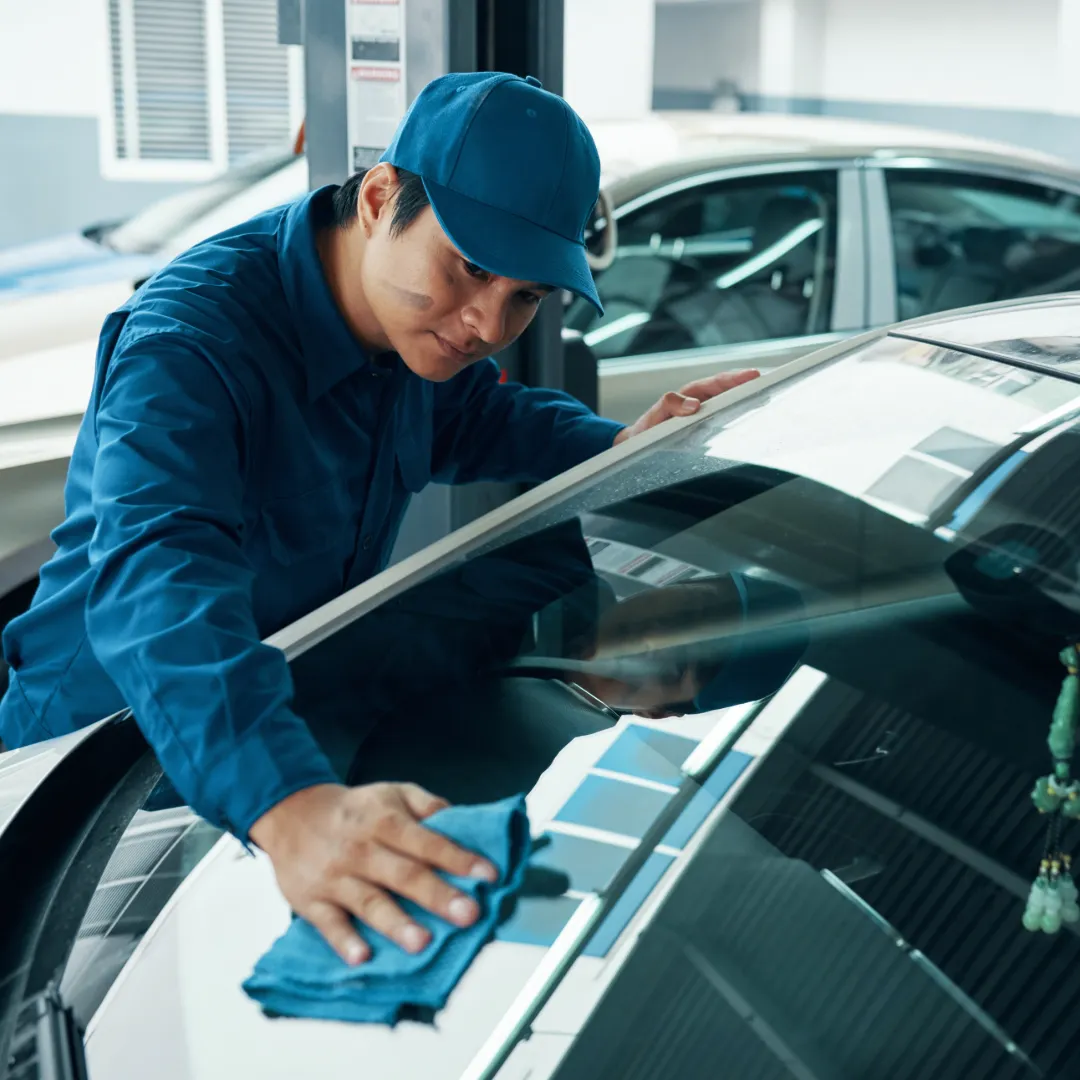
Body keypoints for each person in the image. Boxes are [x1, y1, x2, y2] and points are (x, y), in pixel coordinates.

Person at [0, 72, 756, 966]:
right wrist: (288, 806)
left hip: (256, 734)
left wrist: (623, 448)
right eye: (472, 266)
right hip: (92, 765)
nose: (486, 321)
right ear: (379, 197)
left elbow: (477, 416)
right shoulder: (193, 343)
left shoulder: (407, 331)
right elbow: (159, 579)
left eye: (524, 299)